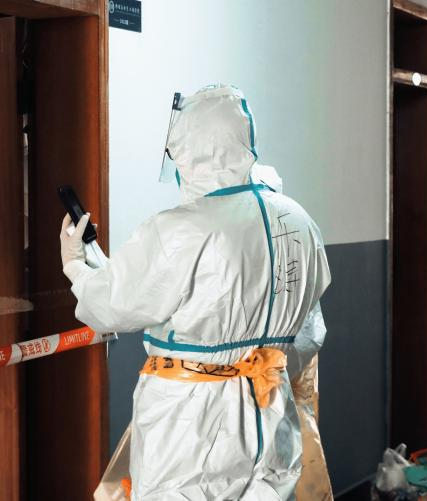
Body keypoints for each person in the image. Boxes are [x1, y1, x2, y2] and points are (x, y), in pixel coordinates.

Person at [60, 84, 331, 500]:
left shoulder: (180, 228)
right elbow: (309, 333)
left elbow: (111, 306)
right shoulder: (298, 221)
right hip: (271, 409)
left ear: (189, 150)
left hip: (189, 424)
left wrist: (77, 267)